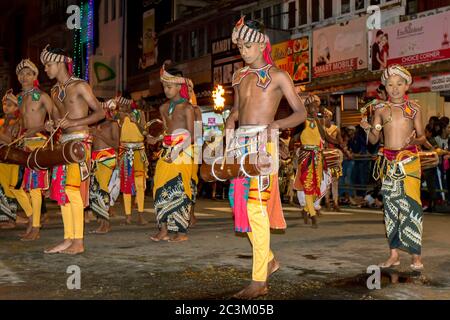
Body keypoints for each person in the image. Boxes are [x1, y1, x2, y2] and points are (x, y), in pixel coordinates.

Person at [225, 17, 306, 299]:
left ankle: (259, 280)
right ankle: (269, 259)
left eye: (248, 46)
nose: (243, 52)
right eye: (240, 47)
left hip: (263, 144)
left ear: (262, 44)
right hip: (240, 145)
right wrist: (229, 122)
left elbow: (300, 113)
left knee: (256, 208)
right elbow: (238, 110)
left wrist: (277, 126)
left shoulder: (279, 76)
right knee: (239, 205)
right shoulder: (238, 76)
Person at [361, 64, 427, 270]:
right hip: (388, 163)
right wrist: (368, 128)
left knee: (412, 207)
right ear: (385, 87)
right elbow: (373, 140)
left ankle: (416, 256)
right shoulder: (380, 109)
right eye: (390, 84)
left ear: (407, 85)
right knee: (390, 209)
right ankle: (394, 255)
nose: (395, 88)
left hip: (409, 162)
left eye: (399, 84)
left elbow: (423, 136)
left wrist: (413, 142)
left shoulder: (414, 108)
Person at [41, 45, 105, 254]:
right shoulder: (54, 91)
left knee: (71, 189)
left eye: (48, 65)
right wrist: (54, 124)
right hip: (64, 143)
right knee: (62, 193)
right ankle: (69, 238)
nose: (46, 70)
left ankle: (79, 241)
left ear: (60, 62)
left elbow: (100, 113)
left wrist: (77, 121)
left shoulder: (79, 85)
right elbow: (61, 119)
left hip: (80, 143)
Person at [149, 64, 197, 243]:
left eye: (169, 86)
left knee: (180, 189)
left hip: (183, 152)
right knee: (159, 188)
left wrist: (177, 150)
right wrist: (157, 139)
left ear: (179, 87)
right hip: (166, 150)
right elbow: (166, 131)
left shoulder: (187, 108)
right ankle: (163, 230)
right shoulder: (163, 108)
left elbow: (192, 135)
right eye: (164, 87)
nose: (166, 90)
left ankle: (182, 232)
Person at [16, 59, 57, 241]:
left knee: (35, 188)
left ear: (35, 76)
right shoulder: (20, 98)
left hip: (39, 143)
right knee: (26, 187)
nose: (24, 77)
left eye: (28, 73)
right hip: (25, 145)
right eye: (21, 74)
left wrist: (48, 125)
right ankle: (33, 222)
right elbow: (20, 123)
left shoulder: (42, 96)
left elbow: (56, 118)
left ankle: (36, 228)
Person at [116, 94, 148, 226]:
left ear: (129, 103)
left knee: (140, 184)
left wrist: (136, 122)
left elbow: (145, 132)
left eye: (124, 105)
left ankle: (140, 214)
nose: (122, 108)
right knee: (126, 184)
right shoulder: (118, 116)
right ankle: (128, 216)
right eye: (120, 106)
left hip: (138, 151)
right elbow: (116, 135)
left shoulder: (139, 113)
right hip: (124, 152)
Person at [89, 99, 120, 234]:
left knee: (102, 189)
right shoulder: (92, 125)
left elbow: (116, 144)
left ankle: (106, 224)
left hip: (107, 158)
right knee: (95, 191)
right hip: (95, 159)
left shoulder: (112, 124)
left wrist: (99, 134)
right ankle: (102, 222)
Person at [0, 90, 29, 229]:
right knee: (3, 190)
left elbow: (13, 140)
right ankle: (9, 218)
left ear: (17, 107)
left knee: (15, 189)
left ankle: (31, 215)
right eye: (5, 104)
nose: (6, 107)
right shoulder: (0, 121)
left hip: (13, 159)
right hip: (1, 161)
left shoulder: (18, 122)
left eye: (10, 105)